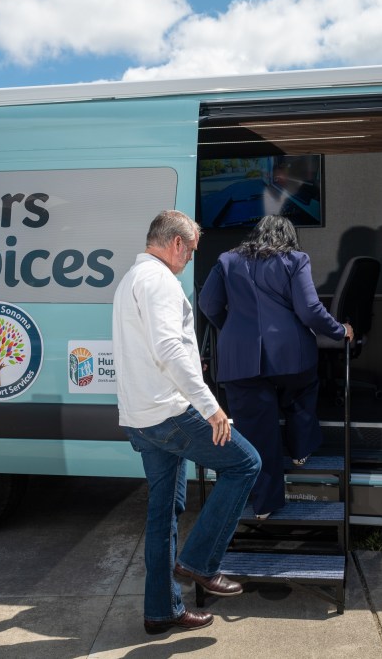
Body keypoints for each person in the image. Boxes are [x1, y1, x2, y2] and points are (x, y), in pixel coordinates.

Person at [112, 209, 261, 635]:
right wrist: (211, 407)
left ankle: (161, 611)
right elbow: (168, 350)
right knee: (245, 463)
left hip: (141, 418)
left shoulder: (131, 279)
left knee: (163, 513)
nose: (190, 258)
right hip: (169, 414)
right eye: (191, 250)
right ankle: (200, 562)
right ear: (176, 242)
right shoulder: (160, 281)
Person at [199, 214, 353, 518]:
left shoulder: (227, 261)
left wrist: (230, 329)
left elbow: (208, 304)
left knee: (256, 429)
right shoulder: (295, 259)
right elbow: (309, 310)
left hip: (239, 359)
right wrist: (340, 330)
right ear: (290, 238)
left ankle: (264, 505)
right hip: (290, 356)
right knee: (302, 390)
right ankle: (300, 450)